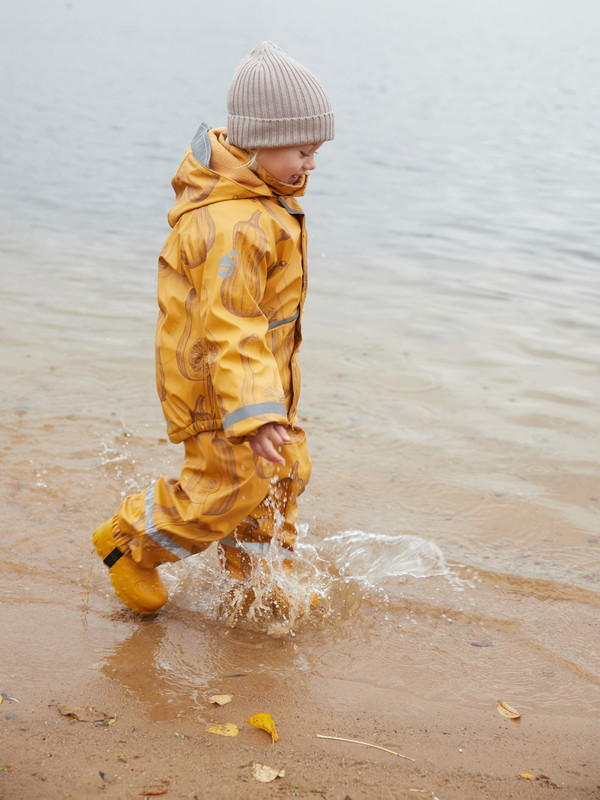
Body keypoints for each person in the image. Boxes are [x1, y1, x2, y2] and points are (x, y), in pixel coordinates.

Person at [92, 41, 334, 616]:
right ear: (259, 141)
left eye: (316, 150)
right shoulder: (234, 222)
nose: (312, 164)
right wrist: (253, 411)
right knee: (224, 487)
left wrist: (267, 404)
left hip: (255, 382)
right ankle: (129, 543)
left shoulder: (262, 199)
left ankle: (258, 580)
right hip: (214, 384)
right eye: (302, 149)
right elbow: (229, 321)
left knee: (280, 473)